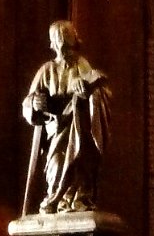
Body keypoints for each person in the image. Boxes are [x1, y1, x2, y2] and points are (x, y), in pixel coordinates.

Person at [22, 20, 110, 215]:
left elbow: (98, 88)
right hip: (56, 129)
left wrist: (87, 89)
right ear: (53, 45)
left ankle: (79, 199)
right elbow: (29, 101)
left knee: (79, 162)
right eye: (61, 46)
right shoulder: (47, 70)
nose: (65, 53)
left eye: (68, 47)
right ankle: (57, 197)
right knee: (56, 164)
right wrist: (35, 103)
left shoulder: (81, 64)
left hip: (78, 128)